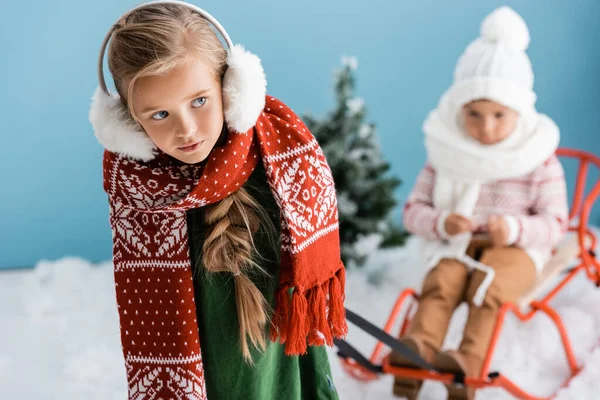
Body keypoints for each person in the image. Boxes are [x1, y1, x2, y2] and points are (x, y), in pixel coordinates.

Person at [89, 2, 347, 399]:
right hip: (196, 360)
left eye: (198, 101)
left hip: (270, 360)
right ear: (126, 123)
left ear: (231, 87)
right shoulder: (137, 188)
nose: (186, 129)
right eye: (159, 114)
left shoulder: (277, 166)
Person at [390, 7, 569, 400]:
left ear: (518, 112)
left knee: (488, 288)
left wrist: (516, 228)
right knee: (441, 283)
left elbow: (556, 222)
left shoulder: (537, 158)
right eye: (473, 114)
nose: (485, 127)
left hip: (515, 249)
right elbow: (412, 211)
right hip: (459, 243)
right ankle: (416, 352)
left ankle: (466, 363)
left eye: (498, 115)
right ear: (459, 110)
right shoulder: (446, 152)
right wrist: (442, 223)